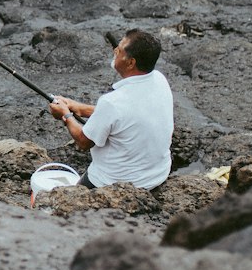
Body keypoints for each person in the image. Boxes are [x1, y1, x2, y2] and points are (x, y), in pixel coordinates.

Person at [49, 29, 173, 190]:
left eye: (119, 50)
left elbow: (83, 142)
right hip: (156, 176)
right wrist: (78, 108)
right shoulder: (159, 80)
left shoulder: (112, 103)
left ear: (130, 63)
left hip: (114, 185)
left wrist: (65, 115)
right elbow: (125, 116)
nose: (115, 52)